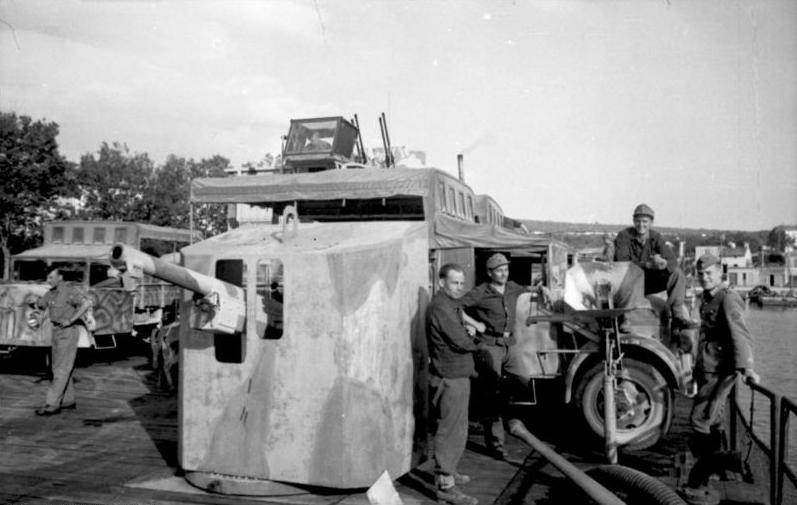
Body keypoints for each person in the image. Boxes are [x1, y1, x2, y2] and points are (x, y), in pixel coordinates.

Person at [681, 253, 759, 505]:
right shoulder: (708, 299)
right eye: (701, 274)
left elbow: (741, 335)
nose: (704, 277)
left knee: (699, 422)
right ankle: (714, 471)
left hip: (719, 372)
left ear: (720, 273)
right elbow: (704, 338)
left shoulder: (727, 299)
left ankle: (712, 470)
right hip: (708, 369)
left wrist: (747, 368)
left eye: (709, 273)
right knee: (712, 424)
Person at [460, 253, 535, 460]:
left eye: (506, 269)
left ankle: (504, 404)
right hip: (490, 344)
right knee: (490, 395)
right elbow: (457, 307)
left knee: (524, 380)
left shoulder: (512, 287)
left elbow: (529, 290)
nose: (504, 273)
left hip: (510, 344)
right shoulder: (480, 292)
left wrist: (542, 288)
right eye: (500, 270)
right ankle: (496, 444)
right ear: (490, 272)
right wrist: (474, 324)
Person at [427, 263, 479, 505]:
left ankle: (450, 470)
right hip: (450, 377)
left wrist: (469, 331)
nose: (459, 287)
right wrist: (474, 337)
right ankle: (446, 487)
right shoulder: (441, 307)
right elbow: (461, 341)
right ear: (441, 282)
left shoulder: (450, 304)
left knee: (457, 429)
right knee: (450, 432)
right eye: (454, 282)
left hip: (458, 375)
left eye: (461, 283)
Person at [614, 203, 697, 330]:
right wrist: (647, 264)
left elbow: (673, 261)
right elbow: (622, 263)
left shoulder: (656, 237)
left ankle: (677, 317)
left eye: (645, 221)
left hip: (648, 282)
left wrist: (663, 264)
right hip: (628, 283)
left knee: (677, 273)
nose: (641, 225)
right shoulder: (623, 236)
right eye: (638, 221)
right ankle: (627, 318)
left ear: (651, 222)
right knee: (630, 273)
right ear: (633, 221)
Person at [34, 267, 91, 416]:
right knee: (61, 367)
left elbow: (85, 304)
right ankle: (67, 400)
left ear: (60, 277)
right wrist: (34, 301)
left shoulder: (69, 291)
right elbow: (41, 304)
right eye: (48, 277)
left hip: (67, 332)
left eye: (52, 277)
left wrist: (71, 320)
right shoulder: (51, 292)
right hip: (56, 331)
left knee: (60, 369)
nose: (49, 280)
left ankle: (52, 404)